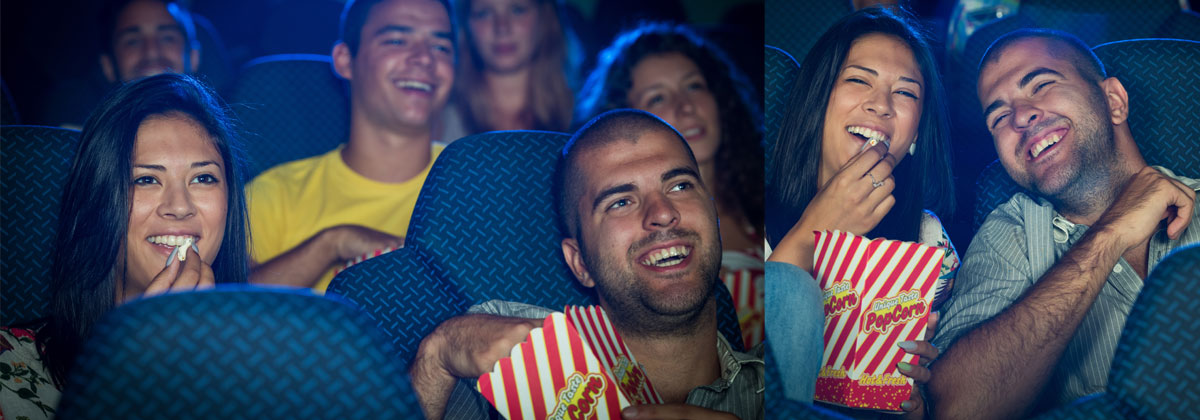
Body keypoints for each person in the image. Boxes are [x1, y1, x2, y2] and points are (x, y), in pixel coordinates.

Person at [409, 109, 763, 420]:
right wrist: (436, 358)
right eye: (621, 202)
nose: (663, 213)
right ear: (580, 264)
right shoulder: (509, 355)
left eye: (680, 185)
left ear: (715, 218)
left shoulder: (789, 380)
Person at [928, 29, 1199, 419]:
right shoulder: (1010, 233)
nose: (1021, 116)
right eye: (999, 116)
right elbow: (955, 409)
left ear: (1114, 101)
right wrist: (1112, 233)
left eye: (1041, 85)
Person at [0, 73, 250, 420]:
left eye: (203, 178)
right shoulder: (10, 369)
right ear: (96, 202)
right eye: (146, 179)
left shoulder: (266, 365)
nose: (179, 206)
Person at [764, 6, 959, 415]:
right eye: (858, 80)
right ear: (816, 100)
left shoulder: (929, 243)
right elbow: (734, 377)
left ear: (917, 132)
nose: (881, 105)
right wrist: (815, 229)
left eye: (905, 93)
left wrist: (917, 405)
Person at [575, 22, 767, 348]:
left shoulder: (770, 194)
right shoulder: (631, 234)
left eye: (693, 87)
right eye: (658, 97)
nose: (685, 107)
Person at [246, 0, 455, 292]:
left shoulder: (479, 187)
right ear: (345, 60)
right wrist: (331, 244)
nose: (424, 58)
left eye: (441, 47)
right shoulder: (272, 195)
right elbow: (225, 314)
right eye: (397, 40)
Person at [42, 0, 202, 128]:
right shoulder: (77, 132)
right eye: (132, 41)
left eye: (167, 38)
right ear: (108, 66)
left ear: (194, 57)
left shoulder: (221, 137)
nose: (151, 51)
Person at [441, 0, 577, 140]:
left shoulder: (583, 115)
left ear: (544, 17)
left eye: (517, 10)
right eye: (484, 13)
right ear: (466, 25)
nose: (502, 28)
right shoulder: (441, 122)